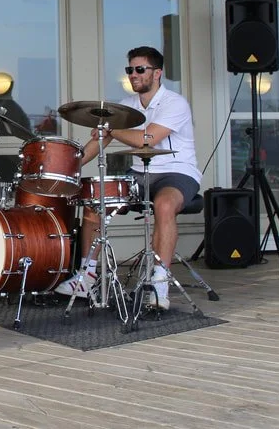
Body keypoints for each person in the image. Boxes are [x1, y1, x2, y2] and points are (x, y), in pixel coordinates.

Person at [55, 46, 200, 311]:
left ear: (158, 73)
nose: (133, 74)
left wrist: (110, 128)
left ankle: (160, 281)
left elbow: (148, 139)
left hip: (178, 171)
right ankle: (87, 275)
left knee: (164, 205)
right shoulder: (127, 107)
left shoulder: (174, 103)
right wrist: (70, 166)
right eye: (130, 69)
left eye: (140, 69)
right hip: (140, 174)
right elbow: (99, 140)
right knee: (94, 202)